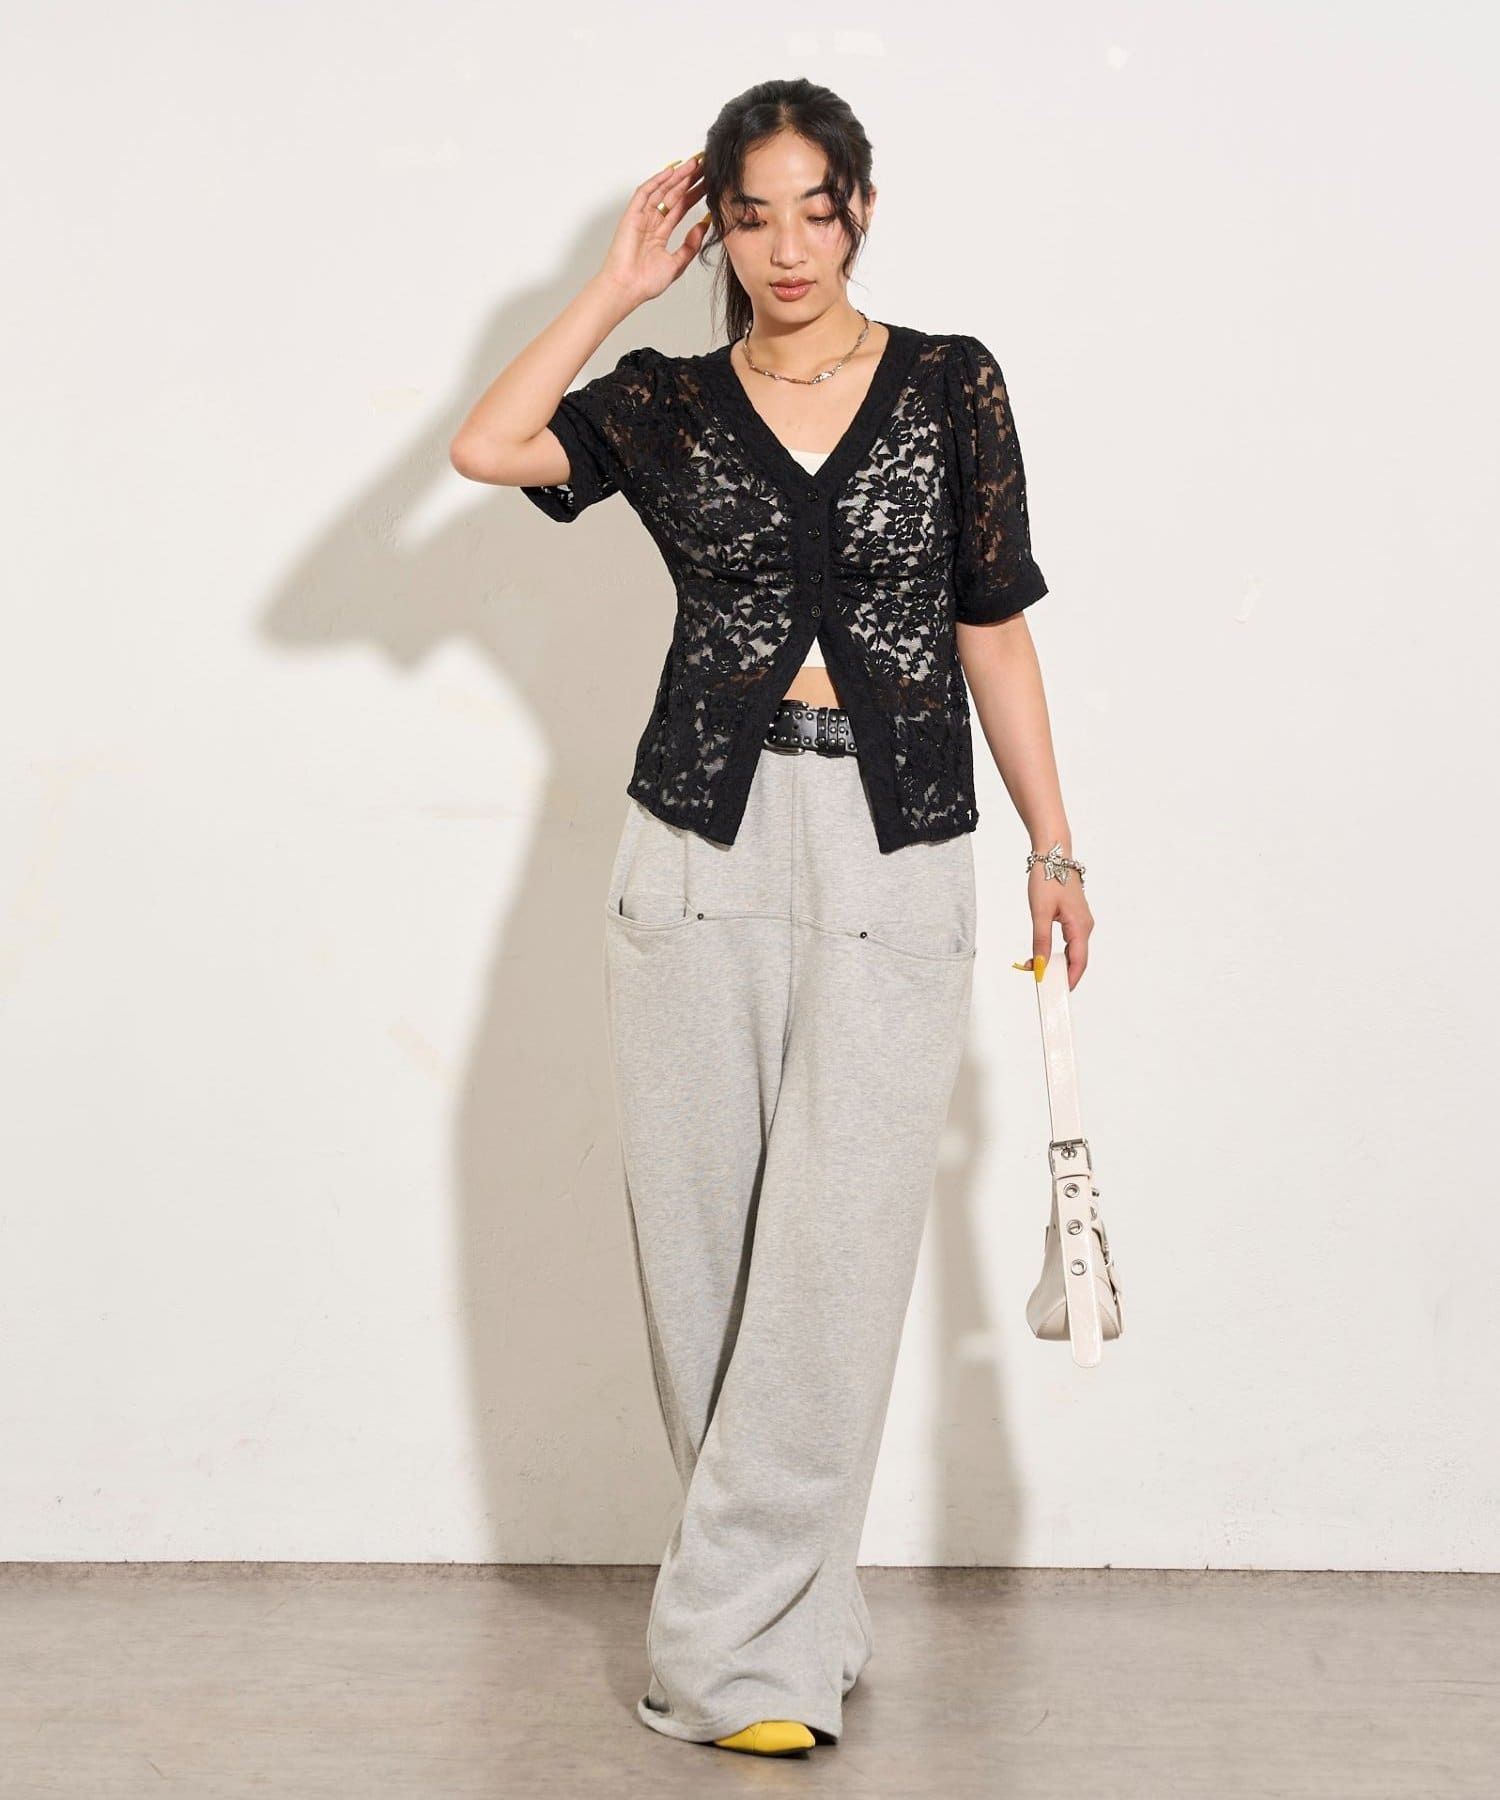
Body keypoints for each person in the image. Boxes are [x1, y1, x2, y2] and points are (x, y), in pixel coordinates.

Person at [450, 77, 1094, 1759]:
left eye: (817, 207)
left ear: (861, 207)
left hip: (895, 842)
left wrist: (1058, 847)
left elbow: (994, 625)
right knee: (706, 1252)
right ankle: (791, 1614)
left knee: (836, 1253)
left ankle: (732, 1662)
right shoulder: (665, 400)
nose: (788, 245)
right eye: (752, 215)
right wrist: (611, 290)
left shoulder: (951, 384)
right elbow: (490, 448)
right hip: (696, 842)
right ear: (715, 231)